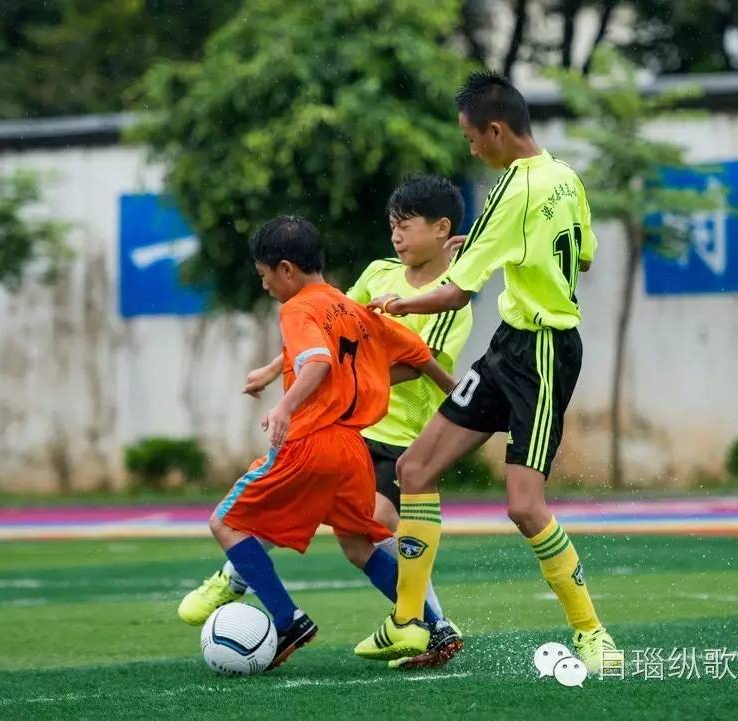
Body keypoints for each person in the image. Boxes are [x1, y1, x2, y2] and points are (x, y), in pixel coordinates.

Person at [354, 72, 617, 674]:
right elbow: (584, 254)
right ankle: (410, 623)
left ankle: (592, 633)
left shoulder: (511, 189)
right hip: (508, 346)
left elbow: (453, 292)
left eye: (472, 138)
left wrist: (394, 304)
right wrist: (503, 245)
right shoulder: (566, 177)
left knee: (524, 506)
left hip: (545, 351)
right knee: (416, 468)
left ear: (495, 131)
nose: (471, 149)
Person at [179, 176, 474, 669]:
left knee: (226, 523)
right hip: (352, 451)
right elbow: (418, 352)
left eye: (264, 275)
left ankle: (286, 618)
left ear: (287, 269)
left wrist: (284, 407)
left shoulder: (298, 309)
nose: (265, 284)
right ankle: (434, 625)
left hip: (312, 441)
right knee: (360, 544)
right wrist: (460, 395)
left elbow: (316, 361)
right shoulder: (350, 307)